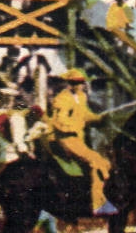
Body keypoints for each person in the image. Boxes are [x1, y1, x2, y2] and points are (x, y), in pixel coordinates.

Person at [48, 69, 116, 217]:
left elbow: (85, 115)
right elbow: (59, 120)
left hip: (79, 139)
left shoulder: (81, 96)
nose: (79, 85)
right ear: (69, 83)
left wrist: (98, 118)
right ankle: (98, 204)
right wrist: (71, 127)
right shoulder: (62, 99)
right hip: (66, 138)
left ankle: (98, 197)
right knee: (94, 161)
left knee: (103, 161)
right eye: (75, 83)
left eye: (80, 82)